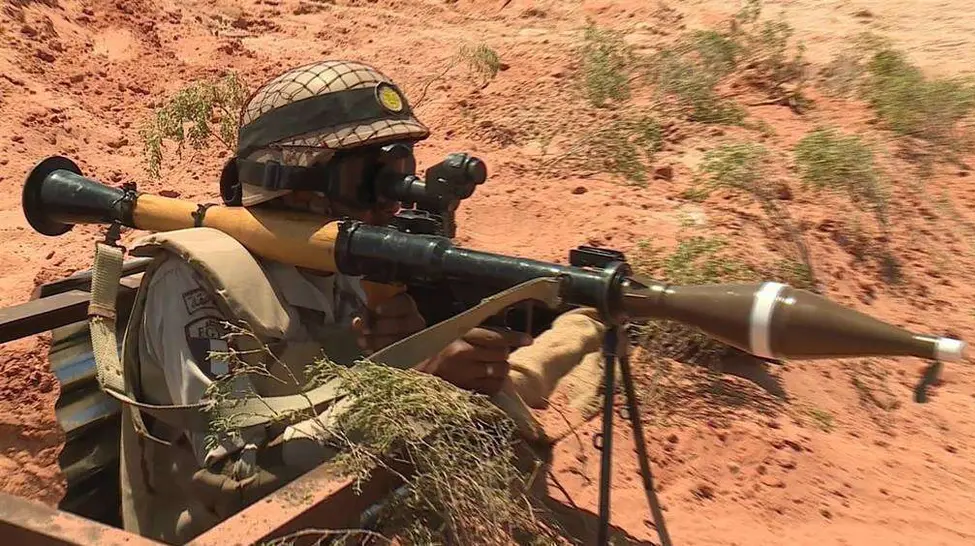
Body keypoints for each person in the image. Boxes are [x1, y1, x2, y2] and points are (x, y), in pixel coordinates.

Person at [116, 59, 609, 544]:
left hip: (359, 506)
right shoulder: (197, 283)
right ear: (301, 186)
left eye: (400, 170)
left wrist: (406, 352)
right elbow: (236, 482)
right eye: (369, 179)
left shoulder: (343, 260)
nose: (393, 201)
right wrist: (415, 386)